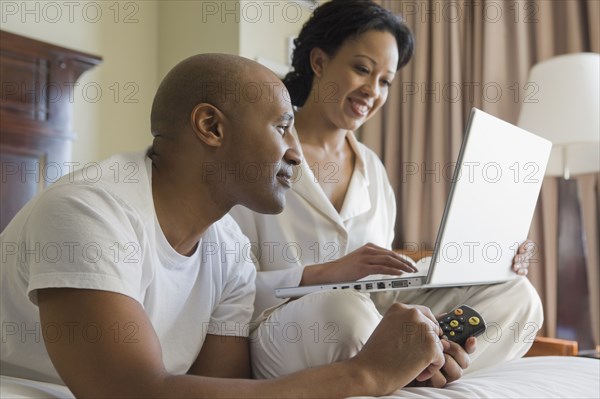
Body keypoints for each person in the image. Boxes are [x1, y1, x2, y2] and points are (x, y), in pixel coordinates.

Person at [0, 53, 454, 398]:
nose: (295, 154)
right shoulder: (88, 213)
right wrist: (365, 373)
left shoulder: (229, 247)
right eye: (281, 128)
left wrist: (404, 363)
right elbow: (133, 393)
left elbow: (221, 387)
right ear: (211, 126)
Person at [229, 0, 543, 383]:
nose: (372, 91)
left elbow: (387, 283)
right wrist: (323, 274)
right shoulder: (263, 154)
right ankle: (408, 362)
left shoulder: (372, 169)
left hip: (371, 320)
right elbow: (227, 287)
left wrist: (485, 261)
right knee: (345, 310)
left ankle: (425, 367)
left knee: (519, 296)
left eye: (385, 82)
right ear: (319, 62)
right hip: (289, 329)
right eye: (362, 69)